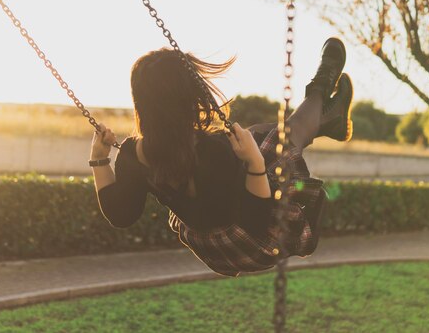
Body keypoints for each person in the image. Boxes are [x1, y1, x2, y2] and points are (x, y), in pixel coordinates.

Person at [88, 38, 353, 277]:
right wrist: (255, 164)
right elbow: (258, 221)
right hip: (254, 243)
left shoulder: (132, 154)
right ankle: (322, 88)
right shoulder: (214, 150)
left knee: (256, 134)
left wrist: (99, 160)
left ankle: (330, 118)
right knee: (281, 140)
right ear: (189, 98)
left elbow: (121, 215)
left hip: (211, 249)